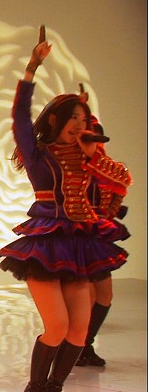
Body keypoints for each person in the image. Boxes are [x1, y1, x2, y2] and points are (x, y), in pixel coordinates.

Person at [0, 27, 130, 392]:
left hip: (80, 243)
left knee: (79, 329)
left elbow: (121, 180)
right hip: (45, 243)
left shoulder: (88, 156)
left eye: (83, 119)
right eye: (73, 118)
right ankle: (34, 391)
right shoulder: (38, 153)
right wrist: (31, 70)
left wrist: (93, 157)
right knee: (56, 325)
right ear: (56, 119)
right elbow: (20, 118)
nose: (78, 125)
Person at [74, 109, 129, 367]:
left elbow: (121, 183)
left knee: (104, 295)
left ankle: (85, 344)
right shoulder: (69, 166)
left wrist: (94, 156)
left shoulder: (104, 165)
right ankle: (75, 347)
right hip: (73, 236)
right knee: (84, 297)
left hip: (97, 237)